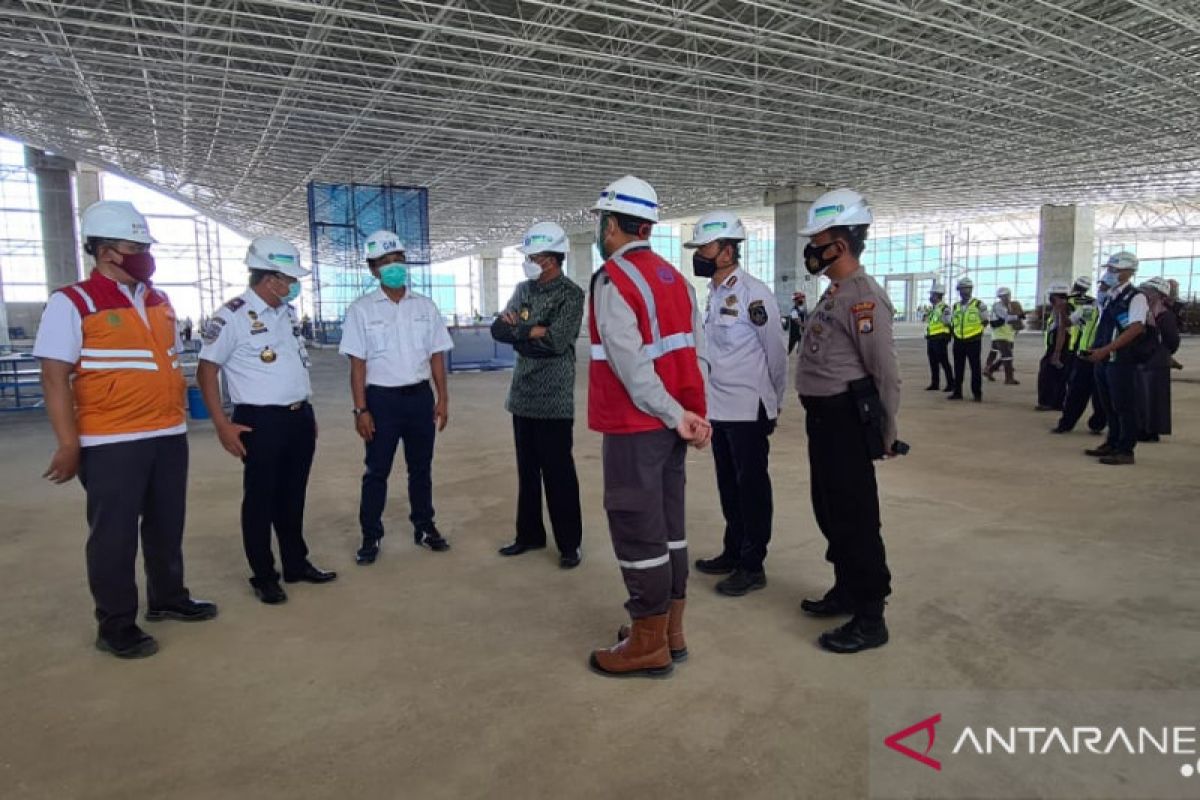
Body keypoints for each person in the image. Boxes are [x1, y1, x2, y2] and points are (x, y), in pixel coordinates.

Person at [33, 200, 216, 659]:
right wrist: (68, 442)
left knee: (165, 524)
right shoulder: (72, 301)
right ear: (106, 251)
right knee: (113, 535)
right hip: (110, 438)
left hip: (167, 432)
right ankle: (115, 624)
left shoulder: (158, 300)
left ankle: (168, 598)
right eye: (135, 246)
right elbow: (54, 376)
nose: (144, 255)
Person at [585, 176, 710, 679]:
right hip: (672, 427)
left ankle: (647, 643)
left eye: (601, 222)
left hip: (637, 426)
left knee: (638, 532)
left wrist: (672, 414)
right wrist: (692, 417)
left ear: (612, 225)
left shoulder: (615, 279)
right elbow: (696, 355)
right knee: (669, 528)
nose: (600, 230)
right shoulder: (674, 279)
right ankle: (670, 632)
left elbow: (632, 367)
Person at [196, 235, 337, 605]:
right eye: (288, 279)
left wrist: (306, 412)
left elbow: (294, 365)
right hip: (259, 421)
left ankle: (296, 562)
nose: (293, 286)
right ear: (270, 278)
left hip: (297, 417)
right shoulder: (233, 316)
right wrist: (222, 424)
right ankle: (263, 574)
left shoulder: (286, 314)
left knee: (293, 495)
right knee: (260, 499)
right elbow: (206, 371)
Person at [794, 188, 900, 654]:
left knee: (856, 516)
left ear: (840, 243)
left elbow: (884, 372)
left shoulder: (863, 298)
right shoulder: (834, 292)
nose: (812, 248)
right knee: (829, 508)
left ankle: (870, 615)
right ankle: (845, 588)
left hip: (845, 421)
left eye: (818, 239)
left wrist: (887, 431)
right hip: (822, 419)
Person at [685, 211, 787, 596]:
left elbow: (776, 353)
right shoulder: (712, 295)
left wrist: (773, 403)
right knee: (728, 484)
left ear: (727, 251)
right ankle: (733, 550)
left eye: (705, 248)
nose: (701, 255)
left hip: (748, 408)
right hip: (720, 408)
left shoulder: (754, 293)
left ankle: (752, 563)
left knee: (752, 488)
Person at [339, 230, 454, 563]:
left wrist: (442, 398)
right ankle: (370, 536)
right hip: (382, 401)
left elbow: (436, 356)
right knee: (377, 471)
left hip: (419, 399)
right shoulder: (361, 310)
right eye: (385, 263)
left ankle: (424, 526)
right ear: (373, 270)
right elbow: (357, 365)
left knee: (421, 468)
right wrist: (361, 409)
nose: (393, 267)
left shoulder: (425, 306)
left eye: (398, 260)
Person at [490, 221, 586, 568]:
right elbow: (499, 329)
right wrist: (532, 332)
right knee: (526, 471)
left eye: (535, 255)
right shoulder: (522, 289)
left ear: (551, 258)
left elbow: (558, 341)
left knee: (559, 472)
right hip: (523, 396)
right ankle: (528, 535)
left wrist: (521, 333)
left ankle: (569, 544)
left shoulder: (571, 294)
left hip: (554, 399)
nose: (529, 261)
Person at [1085, 252, 1150, 466]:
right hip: (1104, 358)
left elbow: (1135, 328)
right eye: (1109, 270)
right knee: (1108, 404)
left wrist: (1107, 349)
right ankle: (1112, 441)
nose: (1109, 274)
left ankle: (1125, 449)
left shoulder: (1136, 297)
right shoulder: (1112, 295)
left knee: (1124, 405)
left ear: (1128, 272)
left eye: (1114, 270)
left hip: (1120, 359)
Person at [1053, 276, 1107, 435]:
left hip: (1106, 356)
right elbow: (1069, 323)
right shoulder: (1089, 307)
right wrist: (1063, 311)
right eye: (1101, 287)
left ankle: (1098, 423)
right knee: (1077, 391)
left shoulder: (1119, 308)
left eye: (1105, 287)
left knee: (1101, 394)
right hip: (1085, 355)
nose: (1102, 290)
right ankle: (1066, 423)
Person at [1135, 276, 1180, 442]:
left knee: (1154, 398)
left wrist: (1164, 353)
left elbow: (1172, 340)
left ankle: (1151, 431)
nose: (1145, 294)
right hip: (1146, 359)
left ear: (1159, 295)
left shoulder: (1165, 316)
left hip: (1157, 361)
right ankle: (1142, 428)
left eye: (1149, 291)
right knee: (1142, 396)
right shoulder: (1146, 313)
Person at [948, 277, 987, 401]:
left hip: (973, 340)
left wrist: (977, 332)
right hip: (959, 340)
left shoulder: (979, 305)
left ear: (971, 289)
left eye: (966, 288)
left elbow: (985, 321)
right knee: (958, 367)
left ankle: (977, 393)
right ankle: (957, 392)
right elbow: (953, 322)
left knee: (975, 367)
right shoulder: (956, 306)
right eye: (961, 289)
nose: (964, 291)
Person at [1035, 283, 1072, 411]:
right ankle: (1058, 402)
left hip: (1059, 346)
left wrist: (1056, 352)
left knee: (1047, 374)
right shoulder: (1063, 308)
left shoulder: (1061, 309)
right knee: (1060, 375)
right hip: (1060, 346)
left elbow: (1062, 331)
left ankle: (1046, 402)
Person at [983, 288, 1023, 385]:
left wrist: (1018, 325)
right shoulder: (997, 306)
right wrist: (1019, 316)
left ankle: (989, 369)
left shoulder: (1013, 305)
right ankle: (1009, 379)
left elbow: (1018, 318)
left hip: (1009, 333)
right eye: (1002, 296)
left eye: (1006, 296)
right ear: (999, 297)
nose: (1005, 298)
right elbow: (1007, 317)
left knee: (1001, 354)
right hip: (999, 334)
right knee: (1007, 355)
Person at [922, 283, 953, 391]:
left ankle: (950, 383)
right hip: (932, 338)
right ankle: (935, 383)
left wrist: (948, 336)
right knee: (933, 361)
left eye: (932, 294)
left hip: (940, 338)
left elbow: (949, 322)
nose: (931, 297)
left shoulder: (944, 308)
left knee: (943, 361)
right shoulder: (934, 309)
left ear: (938, 295)